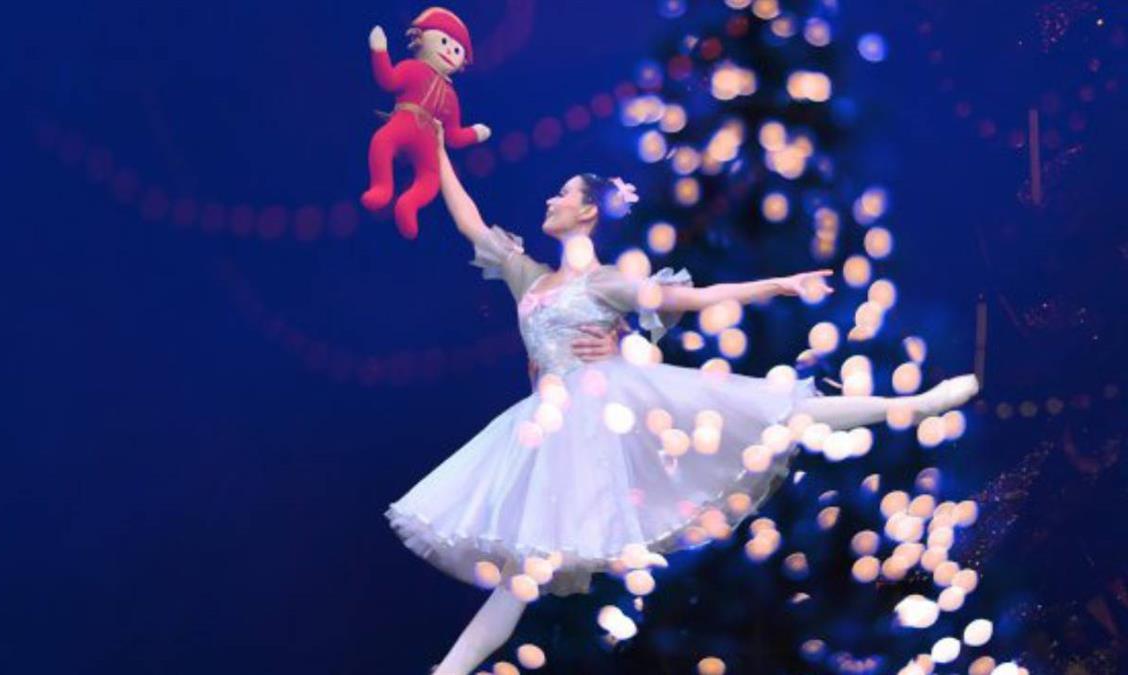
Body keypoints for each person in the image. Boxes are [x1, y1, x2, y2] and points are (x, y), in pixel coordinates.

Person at [385, 123, 981, 675]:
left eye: (561, 194)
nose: (549, 200)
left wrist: (781, 283)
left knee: (772, 409)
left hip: (610, 405)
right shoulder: (529, 278)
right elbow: (468, 219)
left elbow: (699, 300)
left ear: (587, 211)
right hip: (551, 427)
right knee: (520, 572)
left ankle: (918, 404)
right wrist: (435, 148)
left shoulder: (608, 283)